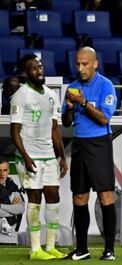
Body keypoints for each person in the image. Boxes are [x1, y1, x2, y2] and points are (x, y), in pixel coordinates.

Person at [61, 47, 117, 261]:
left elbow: (104, 119)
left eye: (85, 64)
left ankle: (109, 250)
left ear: (95, 64)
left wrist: (82, 103)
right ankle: (82, 249)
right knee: (79, 196)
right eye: (77, 63)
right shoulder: (72, 87)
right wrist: (70, 108)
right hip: (79, 144)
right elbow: (66, 123)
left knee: (105, 195)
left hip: (100, 144)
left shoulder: (106, 86)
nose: (80, 68)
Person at [10, 54, 68, 260]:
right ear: (26, 73)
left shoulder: (52, 94)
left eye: (40, 66)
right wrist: (25, 157)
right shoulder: (21, 95)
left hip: (48, 156)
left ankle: (50, 245)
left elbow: (55, 129)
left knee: (53, 197)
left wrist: (61, 156)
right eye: (34, 68)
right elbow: (15, 131)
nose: (39, 70)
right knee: (35, 199)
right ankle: (35, 249)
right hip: (30, 156)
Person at [0, 157, 25, 235]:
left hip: (10, 231)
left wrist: (1, 206)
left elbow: (21, 208)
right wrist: (13, 211)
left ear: (8, 171)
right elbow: (16, 210)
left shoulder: (12, 186)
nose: (1, 174)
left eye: (5, 170)